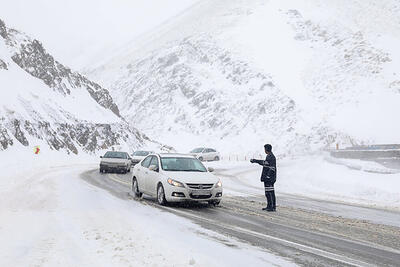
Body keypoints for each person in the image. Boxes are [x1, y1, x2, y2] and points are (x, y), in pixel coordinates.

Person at [250, 144, 277, 211]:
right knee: (270, 192)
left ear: (266, 149)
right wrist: (255, 161)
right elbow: (264, 163)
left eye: (265, 149)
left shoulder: (271, 157)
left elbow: (272, 168)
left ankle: (271, 207)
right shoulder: (269, 156)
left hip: (269, 178)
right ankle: (271, 206)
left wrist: (268, 176)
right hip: (270, 178)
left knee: (269, 193)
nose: (264, 150)